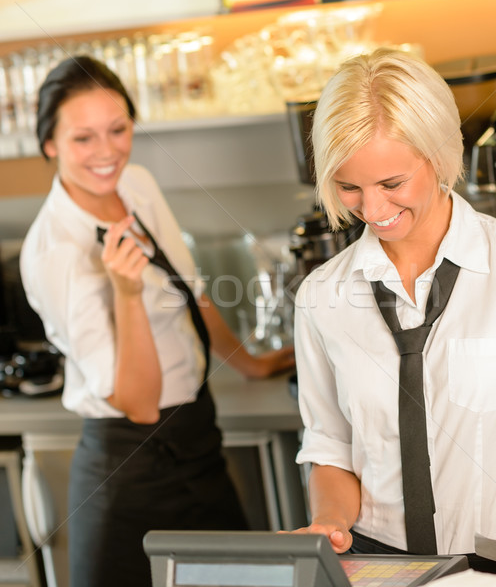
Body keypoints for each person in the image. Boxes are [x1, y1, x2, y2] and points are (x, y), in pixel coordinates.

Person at [292, 47, 496, 575]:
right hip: (378, 568)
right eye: (349, 188)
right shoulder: (321, 295)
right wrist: (329, 524)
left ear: (438, 156)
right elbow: (332, 448)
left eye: (391, 184)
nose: (372, 210)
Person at [20, 55, 295, 587]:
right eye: (83, 138)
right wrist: (125, 293)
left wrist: (249, 364)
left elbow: (186, 289)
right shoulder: (53, 252)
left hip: (196, 442)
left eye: (118, 129)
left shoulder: (137, 184)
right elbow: (139, 403)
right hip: (130, 470)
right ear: (50, 144)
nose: (107, 153)